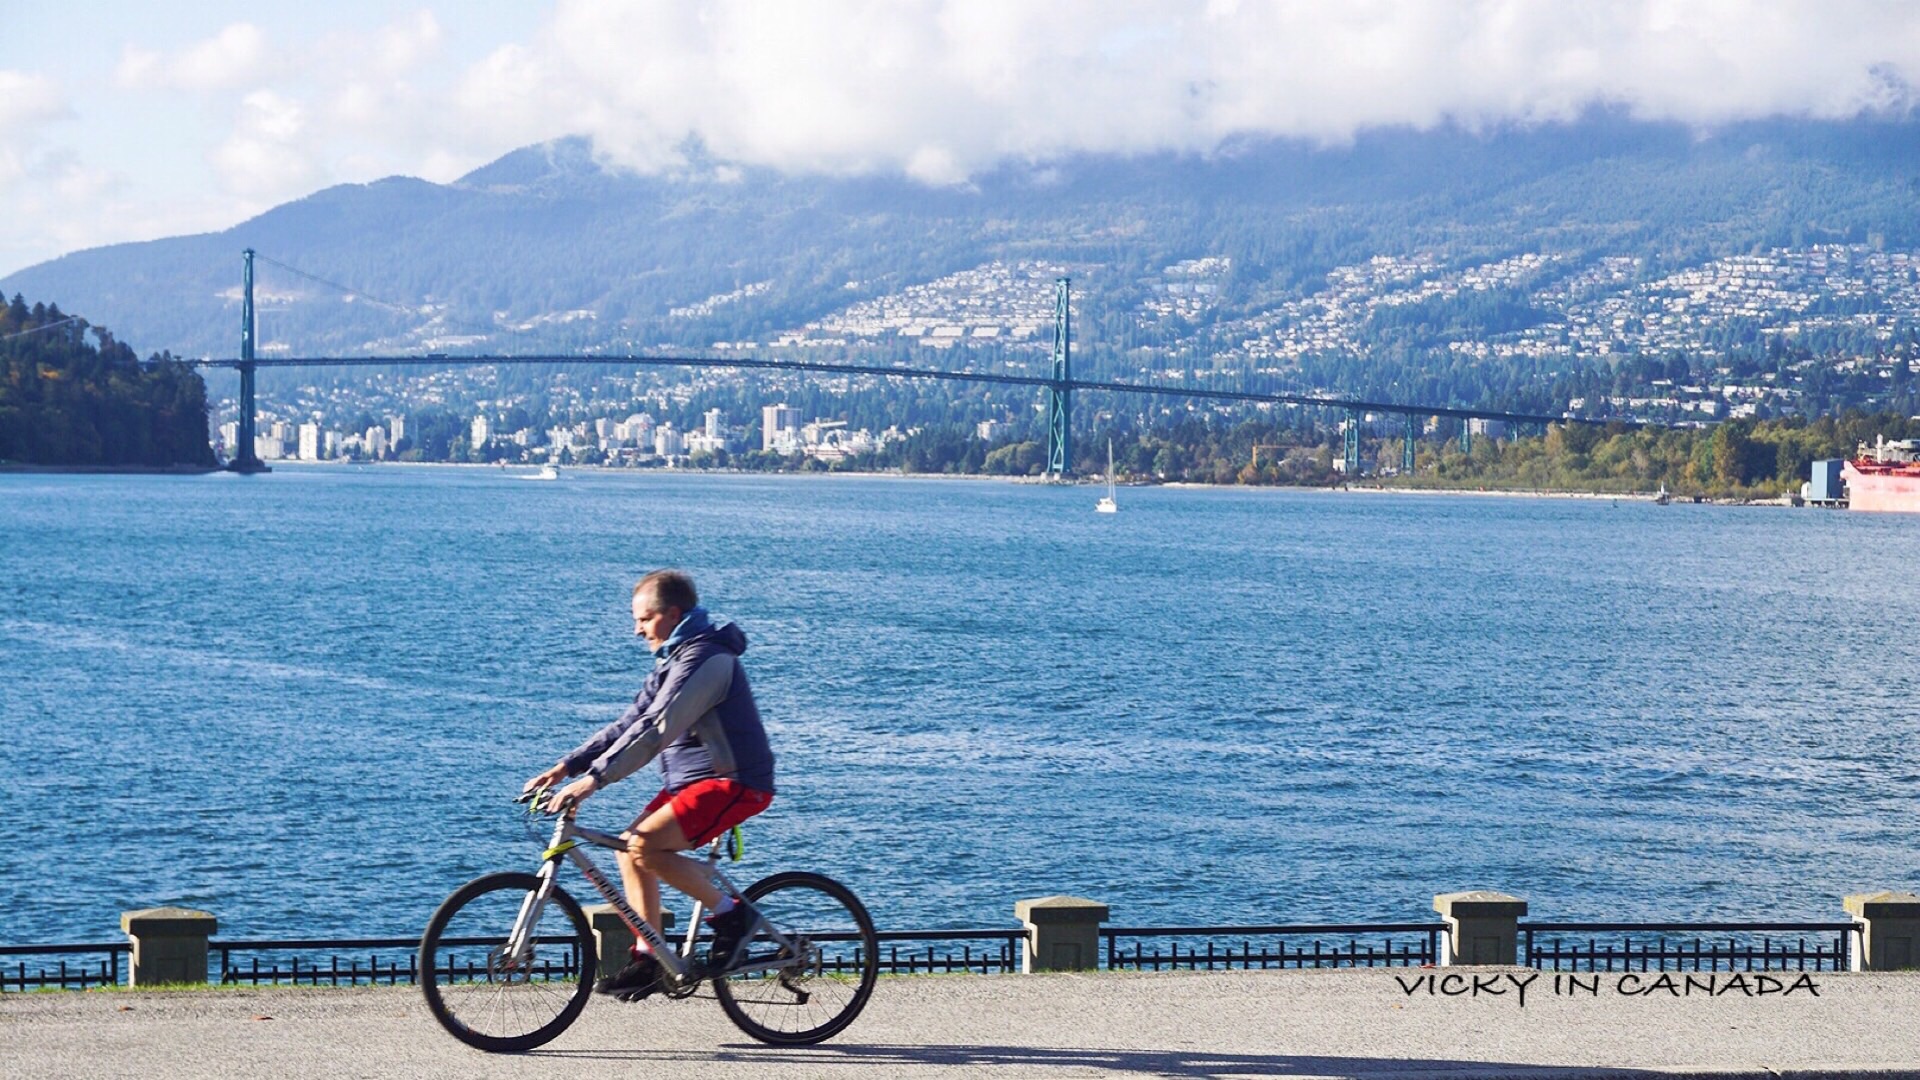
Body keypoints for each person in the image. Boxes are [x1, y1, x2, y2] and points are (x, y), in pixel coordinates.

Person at [524, 570, 776, 999]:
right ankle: (650, 958)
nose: (636, 629)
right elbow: (628, 724)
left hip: (734, 782)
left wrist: (594, 781)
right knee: (629, 850)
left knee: (644, 846)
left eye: (643, 619)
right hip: (694, 784)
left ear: (672, 614)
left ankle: (733, 917)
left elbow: (656, 729)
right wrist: (567, 767)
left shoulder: (706, 659)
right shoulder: (673, 661)